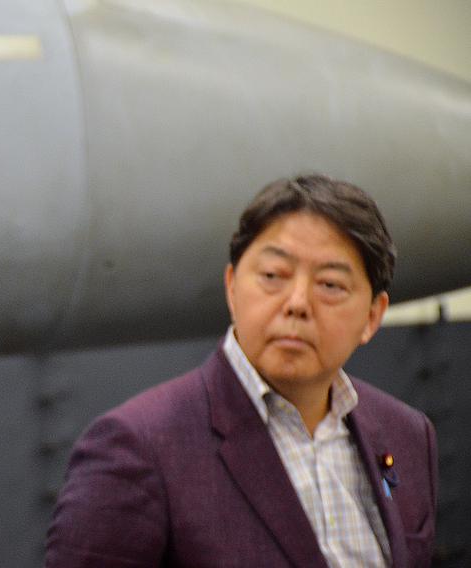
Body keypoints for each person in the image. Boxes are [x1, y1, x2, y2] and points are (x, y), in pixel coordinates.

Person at [46, 175, 437, 567]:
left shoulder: (407, 435)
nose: (298, 303)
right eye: (273, 276)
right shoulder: (139, 447)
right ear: (232, 287)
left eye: (331, 284)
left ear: (372, 316)